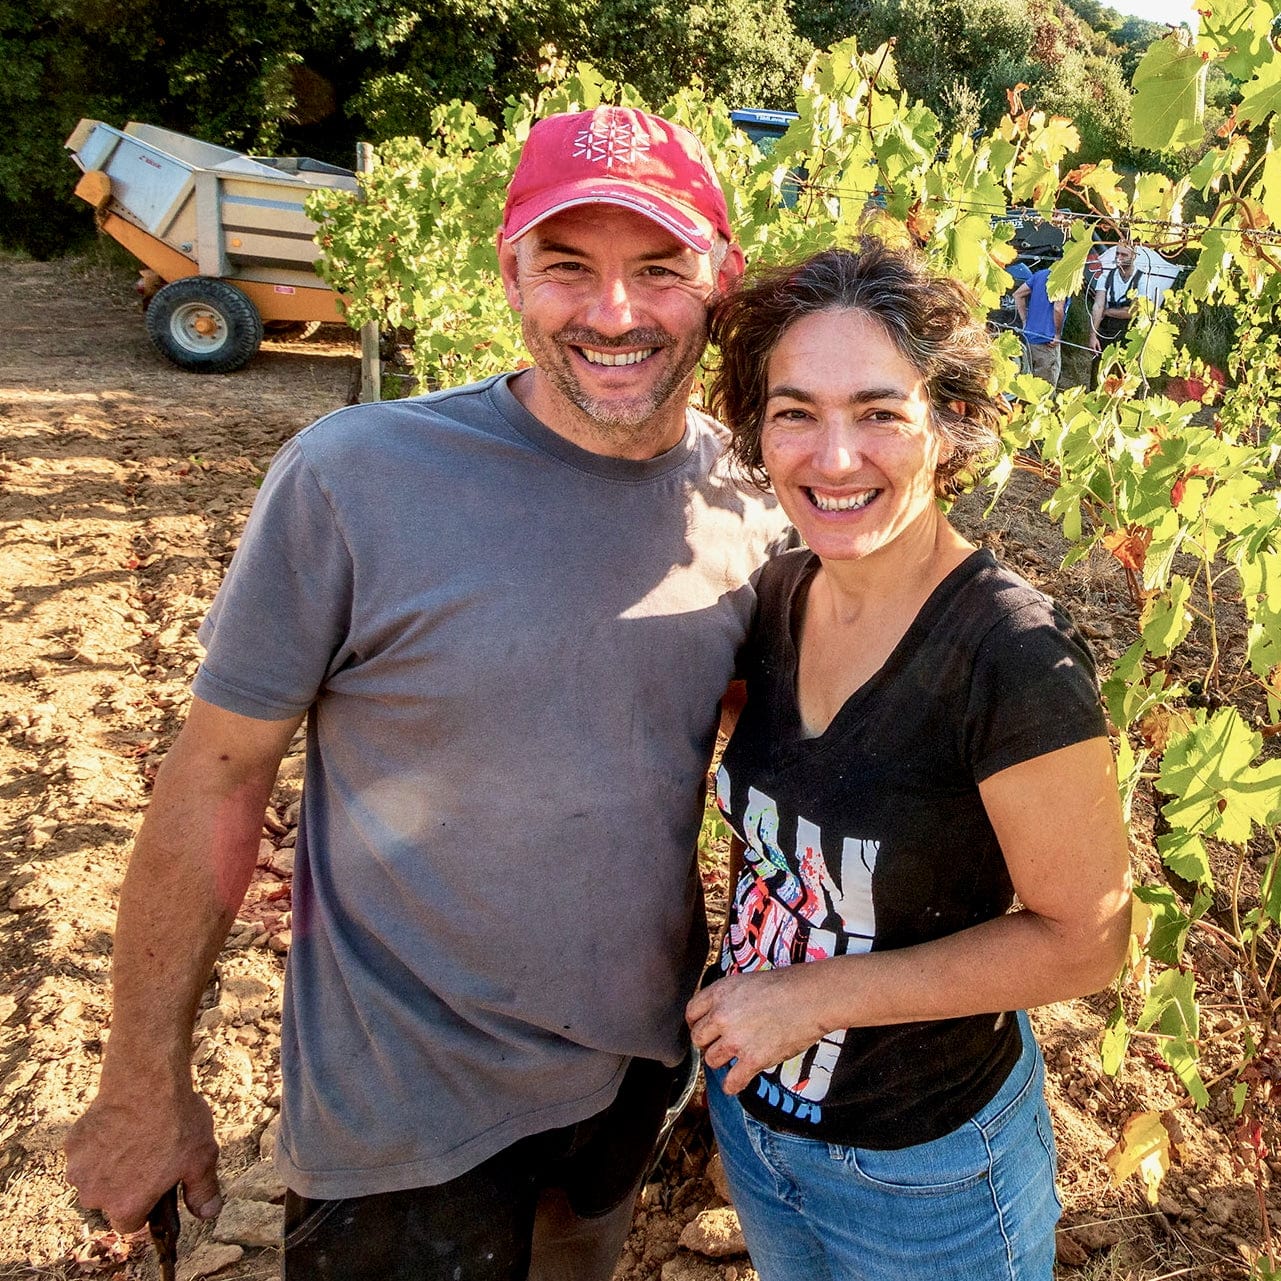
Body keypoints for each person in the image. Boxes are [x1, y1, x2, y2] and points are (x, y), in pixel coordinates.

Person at [64, 106, 792, 1281]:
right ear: (511, 274)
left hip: (633, 1062)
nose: (614, 313)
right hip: (399, 1107)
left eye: (658, 269)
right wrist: (144, 1079)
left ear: (721, 279)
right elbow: (217, 769)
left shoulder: (754, 506)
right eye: (568, 267)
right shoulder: (356, 478)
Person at [685, 241, 1132, 1281]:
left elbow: (1087, 944)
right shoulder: (775, 601)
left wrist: (815, 997)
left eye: (880, 411)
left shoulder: (1010, 659)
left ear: (947, 426)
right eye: (795, 411)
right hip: (754, 1127)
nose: (833, 457)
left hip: (926, 1178)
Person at [1090, 239, 1143, 370]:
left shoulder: (1143, 279)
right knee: (1098, 375)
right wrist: (1092, 336)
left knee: (1126, 378)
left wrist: (1107, 312)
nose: (1119, 258)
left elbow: (1133, 311)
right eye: (1117, 253)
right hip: (1106, 331)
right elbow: (1097, 306)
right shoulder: (1106, 276)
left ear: (1134, 256)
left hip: (1130, 335)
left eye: (1124, 255)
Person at [1013, 259, 1064, 388]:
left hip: (1029, 339)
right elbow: (1058, 308)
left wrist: (1025, 321)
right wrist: (1057, 334)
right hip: (1047, 342)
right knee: (1045, 389)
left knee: (1028, 384)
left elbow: (1017, 294)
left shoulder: (1040, 275)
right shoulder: (1064, 280)